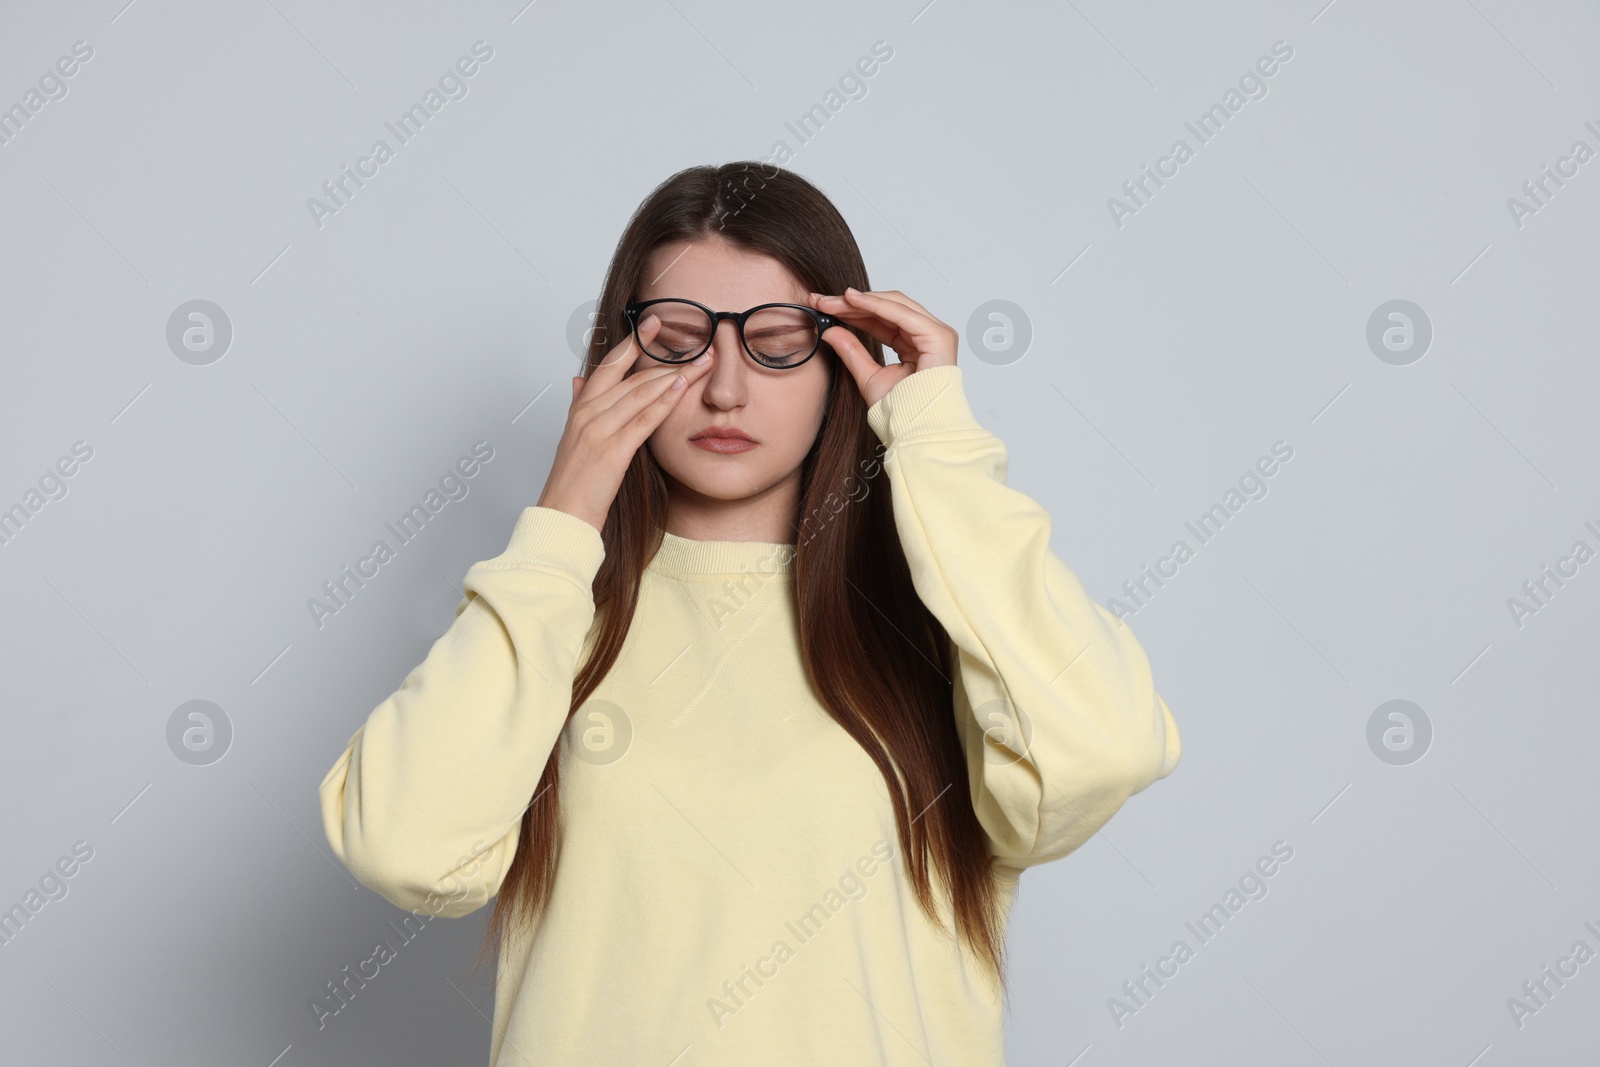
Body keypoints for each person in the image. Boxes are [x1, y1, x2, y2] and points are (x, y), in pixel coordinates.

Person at [318, 161, 1181, 1066]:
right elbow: (405, 849)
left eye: (777, 342)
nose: (725, 388)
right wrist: (563, 519)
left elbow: (1103, 751)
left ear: (845, 359)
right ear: (614, 359)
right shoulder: (546, 620)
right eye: (678, 340)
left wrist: (937, 445)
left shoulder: (944, 631)